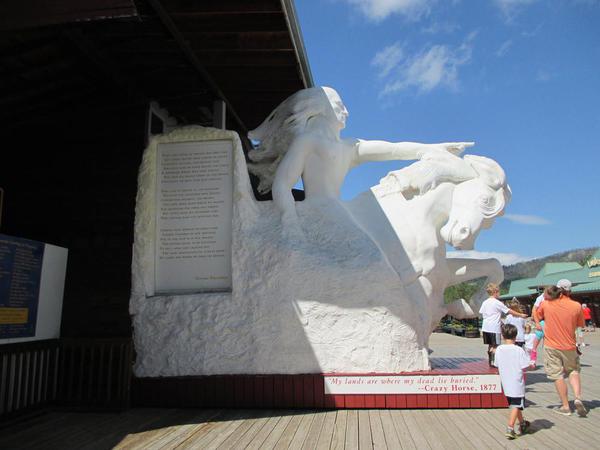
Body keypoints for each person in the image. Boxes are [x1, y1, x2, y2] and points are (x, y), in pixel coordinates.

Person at [247, 86, 475, 224]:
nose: (346, 111)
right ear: (321, 109)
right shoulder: (309, 141)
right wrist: (290, 223)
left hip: (338, 211)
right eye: (339, 106)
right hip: (317, 213)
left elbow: (393, 149)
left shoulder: (350, 147)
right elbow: (282, 184)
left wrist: (434, 148)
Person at [536, 280, 587, 417]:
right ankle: (577, 397)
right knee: (573, 370)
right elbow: (580, 324)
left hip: (551, 345)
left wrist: (538, 323)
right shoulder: (576, 306)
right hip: (569, 345)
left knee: (557, 375)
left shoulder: (546, 304)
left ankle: (565, 406)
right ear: (570, 291)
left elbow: (536, 314)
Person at [494, 323, 533, 439]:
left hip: (505, 381)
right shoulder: (519, 350)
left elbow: (496, 364)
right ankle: (510, 428)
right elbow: (524, 366)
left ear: (502, 336)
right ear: (516, 336)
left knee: (514, 404)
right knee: (516, 404)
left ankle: (522, 424)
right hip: (517, 382)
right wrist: (532, 365)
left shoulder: (499, 349)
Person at [479, 283, 528, 366]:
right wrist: (520, 315)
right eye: (498, 292)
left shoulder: (485, 302)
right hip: (494, 327)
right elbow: (508, 310)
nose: (499, 294)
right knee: (496, 345)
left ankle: (490, 360)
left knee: (490, 344)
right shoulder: (497, 302)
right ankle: (494, 362)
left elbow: (482, 313)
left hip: (486, 327)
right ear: (495, 292)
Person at [530, 290, 546, 364]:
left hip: (548, 321)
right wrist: (536, 322)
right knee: (536, 341)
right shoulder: (541, 298)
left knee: (547, 343)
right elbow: (534, 309)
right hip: (541, 321)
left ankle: (548, 359)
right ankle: (533, 359)